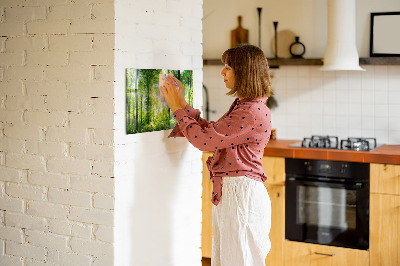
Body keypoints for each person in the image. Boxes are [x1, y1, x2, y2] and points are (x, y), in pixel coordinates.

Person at [161, 44, 273, 266]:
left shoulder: (250, 111)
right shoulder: (246, 106)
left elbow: (204, 141)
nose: (222, 72)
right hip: (236, 193)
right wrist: (182, 103)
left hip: (241, 195)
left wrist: (176, 108)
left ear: (244, 72)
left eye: (228, 67)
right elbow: (212, 133)